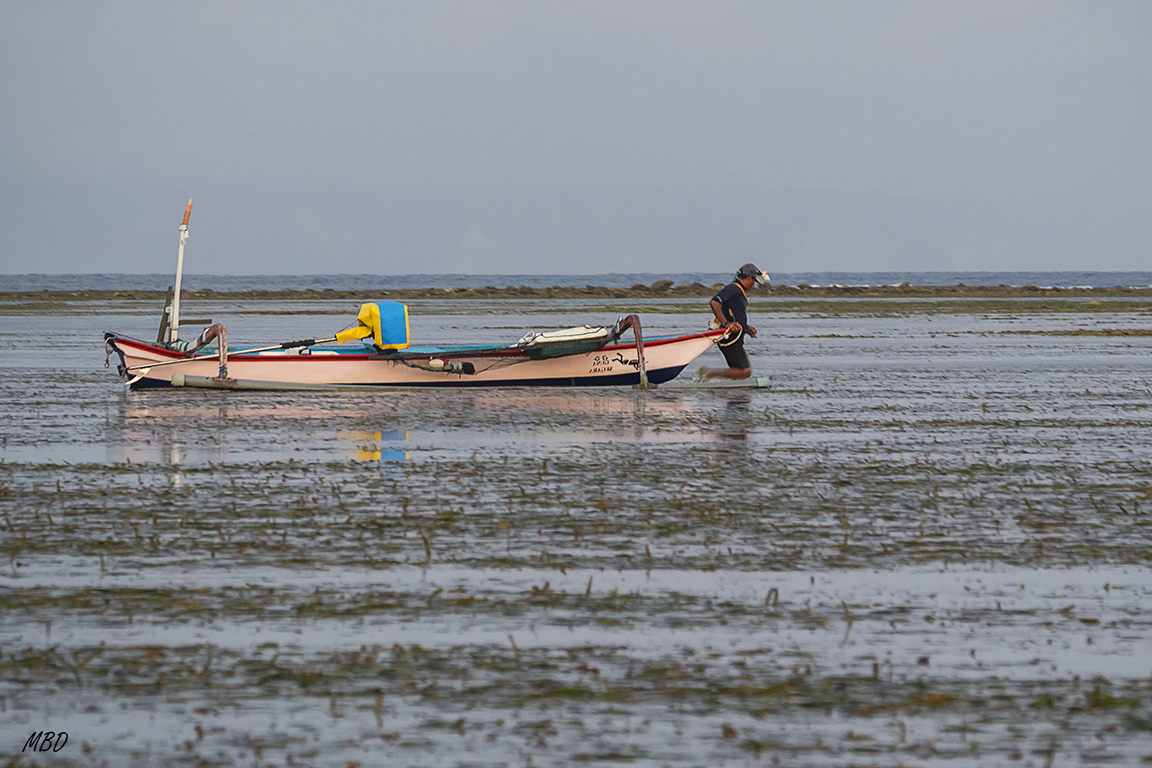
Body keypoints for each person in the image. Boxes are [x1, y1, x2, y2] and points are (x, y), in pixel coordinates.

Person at [696, 263, 769, 381]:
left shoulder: (739, 291)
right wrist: (726, 323)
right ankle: (709, 373)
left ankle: (731, 395)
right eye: (754, 280)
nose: (754, 284)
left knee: (738, 371)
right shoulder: (733, 289)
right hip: (729, 337)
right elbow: (714, 303)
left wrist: (746, 328)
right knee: (745, 371)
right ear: (749, 278)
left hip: (733, 336)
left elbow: (734, 315)